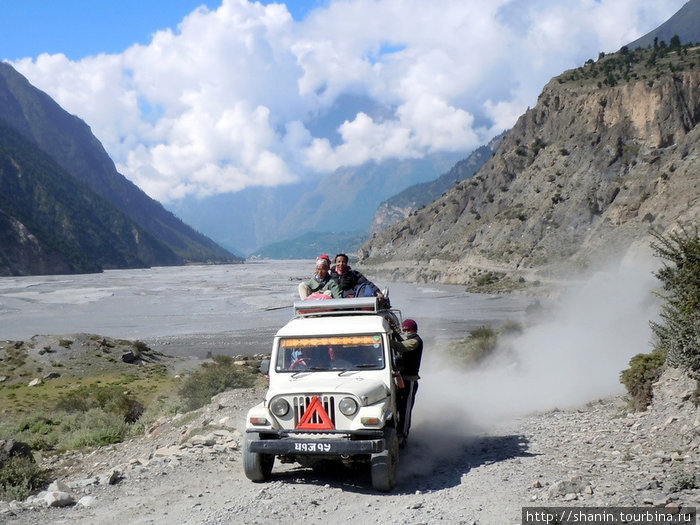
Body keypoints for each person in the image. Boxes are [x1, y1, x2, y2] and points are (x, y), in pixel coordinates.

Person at [390, 318, 423, 447]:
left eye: (407, 329)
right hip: (400, 380)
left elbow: (400, 346)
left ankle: (403, 435)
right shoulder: (408, 338)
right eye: (404, 329)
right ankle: (398, 432)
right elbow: (400, 339)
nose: (405, 331)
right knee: (397, 407)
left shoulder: (415, 341)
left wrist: (382, 339)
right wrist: (393, 330)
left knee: (405, 410)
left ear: (414, 330)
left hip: (409, 381)